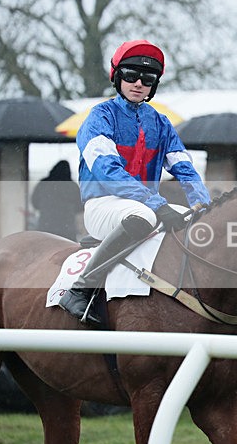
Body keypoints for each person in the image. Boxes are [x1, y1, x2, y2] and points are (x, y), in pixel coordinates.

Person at [58, 39, 211, 326]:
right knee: (143, 216)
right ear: (117, 78)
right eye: (130, 75)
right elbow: (108, 172)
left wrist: (203, 203)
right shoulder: (100, 117)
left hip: (146, 206)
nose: (139, 83)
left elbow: (184, 168)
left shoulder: (161, 123)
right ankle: (81, 288)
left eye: (147, 78)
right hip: (104, 205)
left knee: (192, 222)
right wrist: (156, 203)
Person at [31, 160, 82, 241]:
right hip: (66, 227)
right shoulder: (72, 186)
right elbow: (80, 207)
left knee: (45, 247)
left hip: (46, 226)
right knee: (67, 248)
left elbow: (35, 203)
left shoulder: (43, 184)